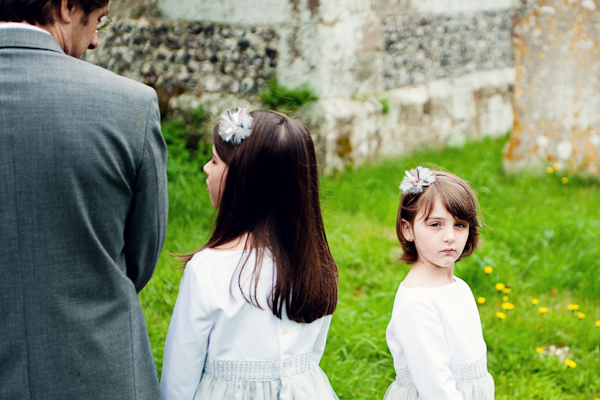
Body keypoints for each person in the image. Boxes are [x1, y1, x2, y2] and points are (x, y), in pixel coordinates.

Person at [0, 1, 168, 399]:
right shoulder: (131, 105)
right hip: (99, 374)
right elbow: (140, 259)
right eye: (97, 22)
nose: (94, 41)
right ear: (66, 7)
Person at [160, 108, 339, 400]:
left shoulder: (208, 269)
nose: (206, 168)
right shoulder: (316, 262)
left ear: (245, 181)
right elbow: (312, 355)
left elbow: (180, 375)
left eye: (215, 161)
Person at [383, 167, 494, 400]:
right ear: (408, 229)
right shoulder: (417, 303)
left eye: (460, 225)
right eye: (435, 224)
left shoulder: (459, 286)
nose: (450, 236)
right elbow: (436, 390)